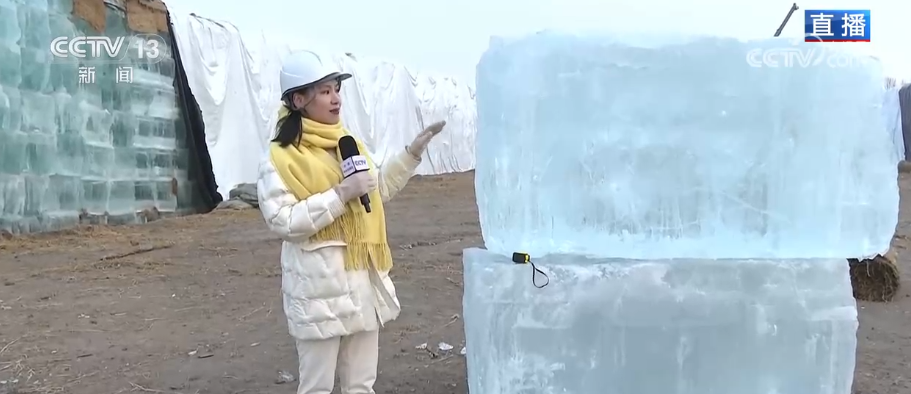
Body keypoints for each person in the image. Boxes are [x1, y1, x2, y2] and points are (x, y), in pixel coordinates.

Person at [256, 50, 446, 394]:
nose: (336, 98)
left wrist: (411, 154)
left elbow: (376, 190)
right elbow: (283, 220)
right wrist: (340, 194)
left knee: (361, 386)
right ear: (299, 99)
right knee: (317, 387)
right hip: (319, 294)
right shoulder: (280, 157)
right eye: (325, 91)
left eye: (336, 89)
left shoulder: (349, 144)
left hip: (362, 284)